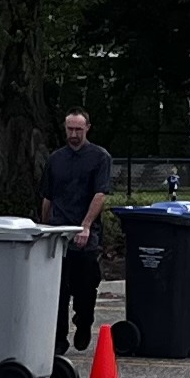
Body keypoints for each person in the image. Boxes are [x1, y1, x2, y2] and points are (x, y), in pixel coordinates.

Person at [42, 111, 117, 357]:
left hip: (85, 233)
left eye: (78, 130)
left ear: (88, 129)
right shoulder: (55, 159)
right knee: (58, 291)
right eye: (70, 129)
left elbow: (100, 194)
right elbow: (48, 197)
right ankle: (58, 339)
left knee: (85, 287)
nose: (74, 135)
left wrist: (86, 225)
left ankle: (84, 322)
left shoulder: (99, 158)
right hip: (59, 233)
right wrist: (45, 229)